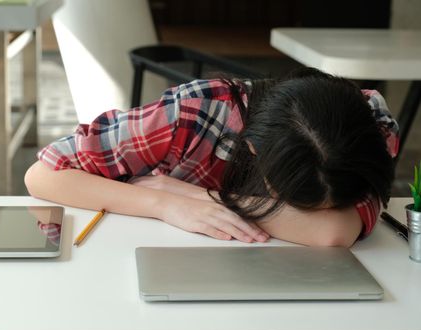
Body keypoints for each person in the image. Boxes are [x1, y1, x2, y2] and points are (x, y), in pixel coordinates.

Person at [24, 67, 399, 247]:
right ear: (253, 150)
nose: (312, 213)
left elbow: (333, 231)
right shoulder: (194, 113)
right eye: (294, 199)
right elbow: (42, 175)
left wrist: (191, 196)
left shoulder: (372, 125)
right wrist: (162, 204)